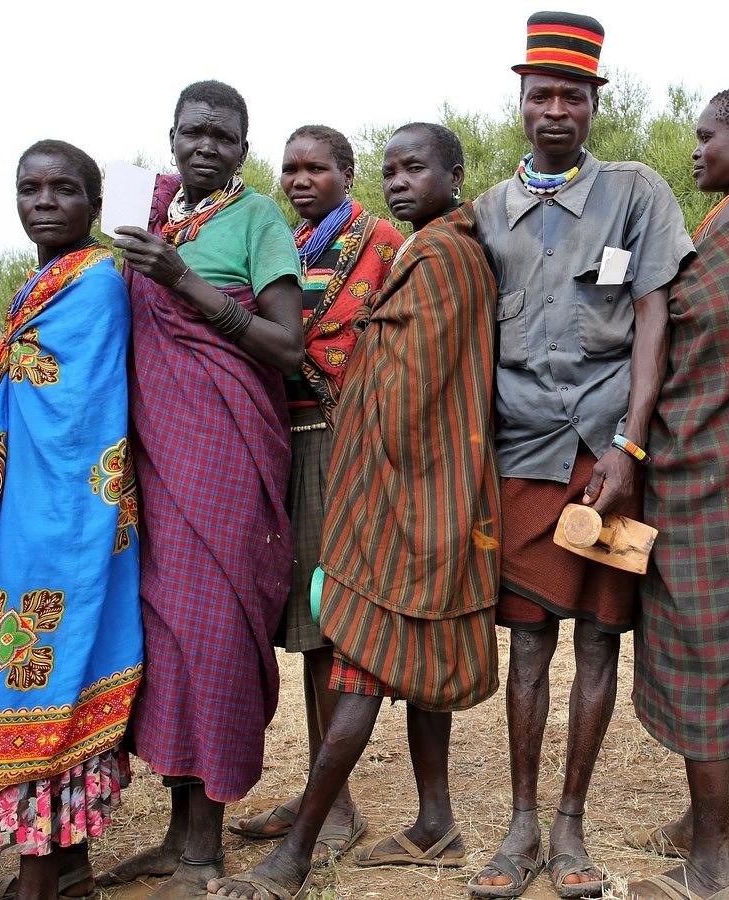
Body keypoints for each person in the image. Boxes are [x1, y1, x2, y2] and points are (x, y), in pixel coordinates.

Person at [208, 121, 500, 900]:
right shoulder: (424, 249)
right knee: (384, 648)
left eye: (415, 169)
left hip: (389, 479)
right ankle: (430, 822)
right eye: (392, 170)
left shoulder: (430, 255)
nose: (399, 182)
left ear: (454, 176)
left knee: (355, 654)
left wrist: (368, 469)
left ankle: (301, 850)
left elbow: (410, 385)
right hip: (404, 478)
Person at [469, 11, 692, 898]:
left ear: (596, 103)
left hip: (607, 455)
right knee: (529, 646)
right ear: (521, 102)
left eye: (572, 96)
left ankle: (571, 825)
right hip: (522, 453)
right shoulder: (489, 211)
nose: (555, 110)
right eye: (541, 95)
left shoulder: (637, 193)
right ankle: (521, 825)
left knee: (599, 642)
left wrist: (629, 445)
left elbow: (653, 322)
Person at [103, 79, 303, 899]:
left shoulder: (258, 220)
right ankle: (174, 838)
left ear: (244, 150)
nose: (206, 146)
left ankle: (205, 851)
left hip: (225, 454)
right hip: (153, 456)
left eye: (224, 136)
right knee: (164, 640)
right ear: (173, 137)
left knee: (212, 636)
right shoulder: (148, 211)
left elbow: (287, 346)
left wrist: (183, 281)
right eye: (194, 132)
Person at [625, 86, 729, 900]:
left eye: (706, 136)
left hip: (722, 464)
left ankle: (713, 859)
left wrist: (640, 298)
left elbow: (694, 322)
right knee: (695, 640)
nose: (695, 150)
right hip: (702, 461)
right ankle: (701, 821)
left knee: (709, 648)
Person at [0, 141, 142, 900]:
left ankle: (41, 878)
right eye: (29, 188)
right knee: (31, 673)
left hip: (67, 521)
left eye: (63, 189)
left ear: (96, 205)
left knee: (45, 679)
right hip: (23, 512)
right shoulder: (39, 286)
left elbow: (79, 415)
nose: (43, 201)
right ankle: (69, 869)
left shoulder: (96, 282)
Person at [225, 125, 403, 861]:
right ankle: (326, 795)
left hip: (344, 443)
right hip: (282, 441)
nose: (300, 180)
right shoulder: (287, 246)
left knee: (333, 624)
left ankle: (333, 808)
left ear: (347, 173)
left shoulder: (381, 242)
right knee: (307, 627)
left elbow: (391, 345)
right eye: (290, 169)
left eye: (316, 169)